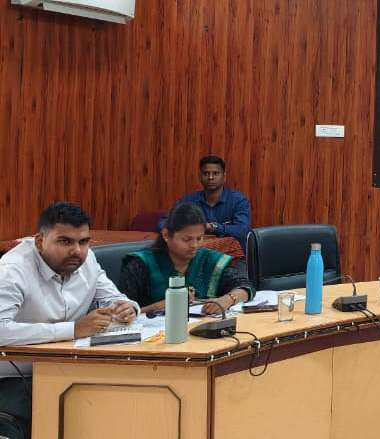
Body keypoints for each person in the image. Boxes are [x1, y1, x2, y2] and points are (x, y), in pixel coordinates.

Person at [0, 202, 139, 439]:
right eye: (65, 241)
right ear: (40, 241)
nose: (77, 250)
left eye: (83, 241)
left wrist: (128, 308)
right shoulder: (12, 270)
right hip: (14, 376)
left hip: (71, 368)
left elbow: (113, 298)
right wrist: (73, 329)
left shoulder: (87, 260)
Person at [120, 203, 254, 316]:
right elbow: (122, 314)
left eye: (199, 238)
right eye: (186, 239)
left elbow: (246, 287)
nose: (194, 245)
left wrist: (227, 299)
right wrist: (158, 307)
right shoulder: (140, 265)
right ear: (166, 235)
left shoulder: (208, 260)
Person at [164, 155, 252, 249]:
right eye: (206, 173)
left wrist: (213, 227)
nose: (210, 177)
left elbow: (242, 230)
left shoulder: (238, 200)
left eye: (215, 173)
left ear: (224, 176)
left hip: (232, 254)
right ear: (200, 177)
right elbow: (164, 222)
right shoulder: (189, 200)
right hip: (198, 252)